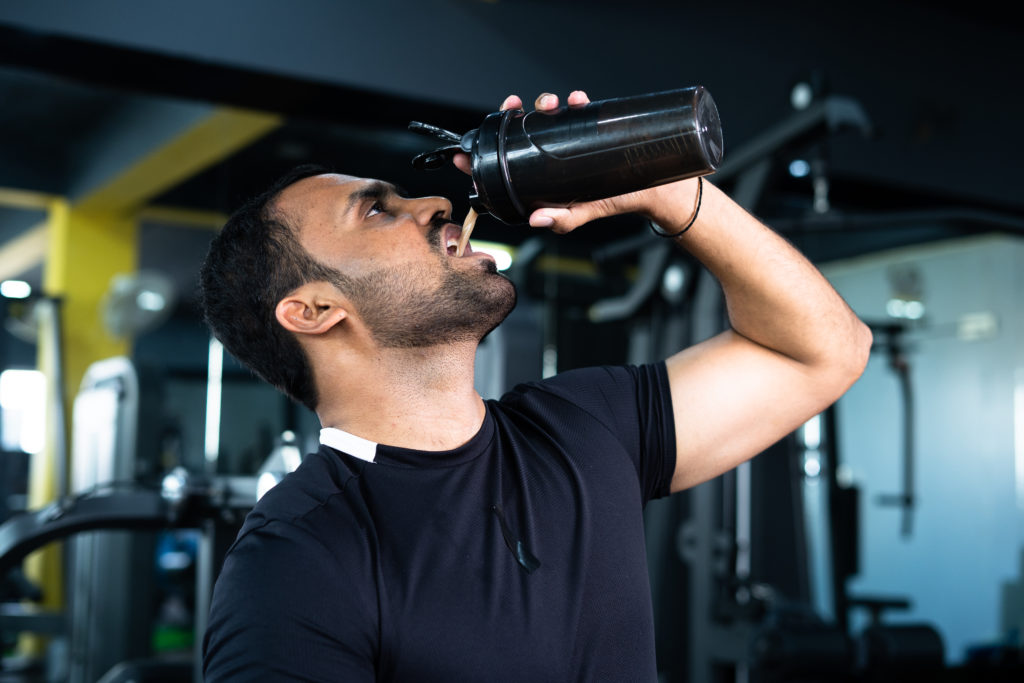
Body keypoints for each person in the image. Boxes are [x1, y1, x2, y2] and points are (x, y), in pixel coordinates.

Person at [200, 90, 872, 682]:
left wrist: (663, 192)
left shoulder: (583, 426)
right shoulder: (296, 561)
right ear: (313, 311)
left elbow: (825, 350)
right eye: (376, 211)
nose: (435, 202)